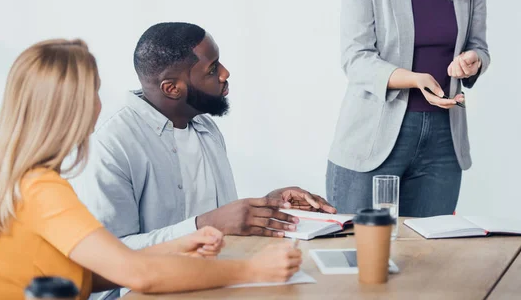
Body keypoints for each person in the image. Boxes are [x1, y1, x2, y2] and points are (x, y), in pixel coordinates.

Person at [0, 39, 302, 299]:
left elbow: (91, 273)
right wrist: (253, 269)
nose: (99, 105)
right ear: (72, 107)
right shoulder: (42, 190)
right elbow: (138, 274)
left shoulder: (28, 181)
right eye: (95, 92)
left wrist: (180, 245)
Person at [70, 23, 334, 297]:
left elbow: (218, 220)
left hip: (214, 280)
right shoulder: (111, 144)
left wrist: (268, 206)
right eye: (212, 69)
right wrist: (205, 225)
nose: (225, 73)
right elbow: (107, 259)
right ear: (172, 88)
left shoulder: (205, 127)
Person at [327, 0, 490, 216]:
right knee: (361, 257)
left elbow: (478, 46)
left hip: (444, 141)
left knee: (429, 260)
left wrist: (473, 61)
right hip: (373, 137)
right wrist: (414, 79)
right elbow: (356, 58)